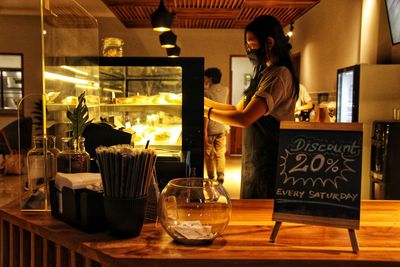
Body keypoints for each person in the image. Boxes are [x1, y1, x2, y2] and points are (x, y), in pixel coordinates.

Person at [204, 15, 299, 199]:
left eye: (251, 43)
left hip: (271, 161)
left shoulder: (279, 75)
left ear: (269, 43)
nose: (248, 49)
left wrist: (207, 113)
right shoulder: (264, 73)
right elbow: (236, 109)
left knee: (263, 216)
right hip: (256, 159)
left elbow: (244, 118)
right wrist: (201, 102)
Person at [203, 68, 229, 183]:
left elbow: (206, 113)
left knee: (209, 154)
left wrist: (204, 130)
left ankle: (211, 176)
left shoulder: (206, 93)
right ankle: (221, 175)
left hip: (210, 127)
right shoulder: (226, 90)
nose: (205, 79)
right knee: (220, 152)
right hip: (221, 126)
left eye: (206, 77)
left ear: (211, 78)